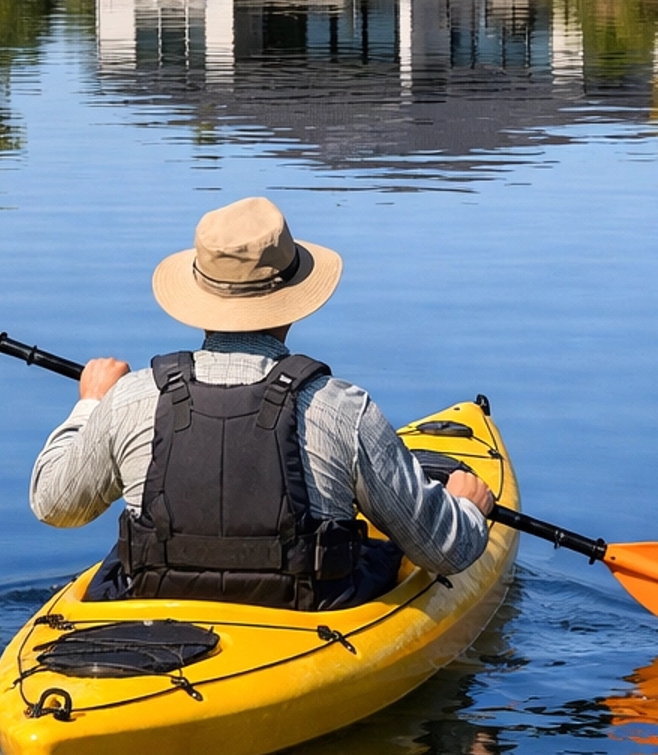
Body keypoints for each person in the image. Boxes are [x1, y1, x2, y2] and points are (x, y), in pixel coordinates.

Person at [30, 195, 495, 609]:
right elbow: (443, 552)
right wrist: (466, 508)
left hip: (153, 606)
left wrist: (91, 403)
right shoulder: (343, 409)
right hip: (304, 615)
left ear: (199, 295)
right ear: (293, 301)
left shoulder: (131, 398)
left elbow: (55, 506)